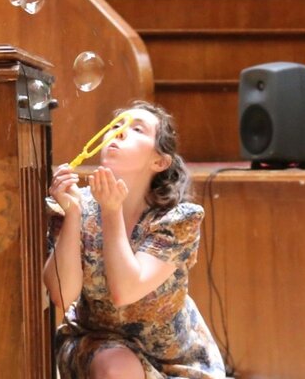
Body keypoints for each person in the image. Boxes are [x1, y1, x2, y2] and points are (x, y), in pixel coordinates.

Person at [43, 100, 226, 378]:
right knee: (117, 367)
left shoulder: (178, 218)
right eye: (115, 125)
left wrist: (111, 211)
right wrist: (73, 215)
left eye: (136, 129)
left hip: (176, 357)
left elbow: (125, 289)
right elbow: (61, 294)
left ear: (159, 161)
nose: (119, 132)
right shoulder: (75, 204)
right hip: (98, 347)